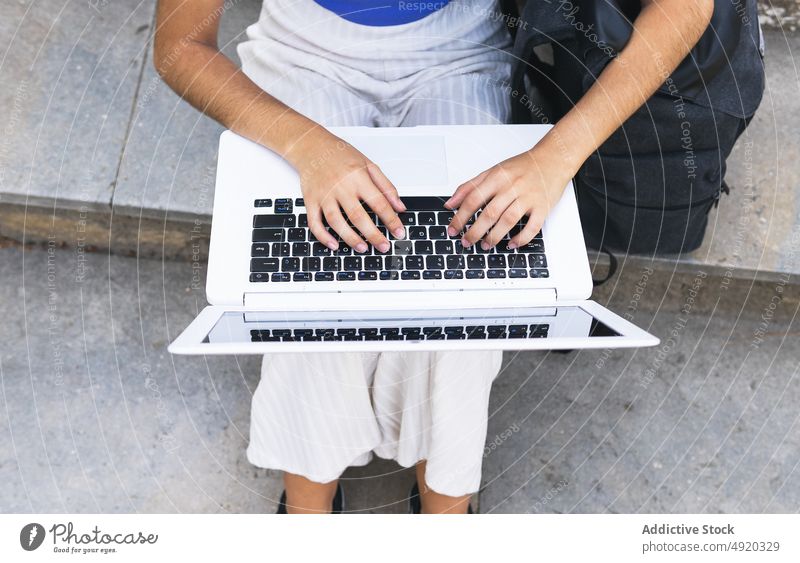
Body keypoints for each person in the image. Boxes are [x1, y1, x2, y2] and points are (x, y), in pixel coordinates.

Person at [154, 0, 713, 513]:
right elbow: (179, 44)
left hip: (462, 46)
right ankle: (307, 502)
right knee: (312, 287)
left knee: (470, 288)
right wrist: (303, 143)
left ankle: (445, 499)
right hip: (303, 49)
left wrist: (554, 158)